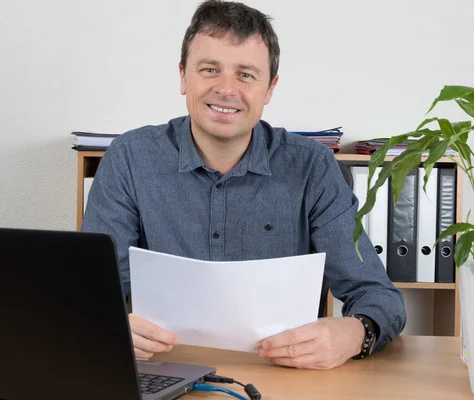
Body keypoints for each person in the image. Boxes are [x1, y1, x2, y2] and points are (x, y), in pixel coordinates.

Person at [82, 0, 406, 370]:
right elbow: (92, 296)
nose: (226, 89)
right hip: (163, 371)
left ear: (269, 88)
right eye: (209, 69)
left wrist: (352, 334)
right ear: (183, 77)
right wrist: (110, 327)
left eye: (246, 75)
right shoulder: (130, 158)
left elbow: (379, 297)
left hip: (285, 376)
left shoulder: (312, 167)